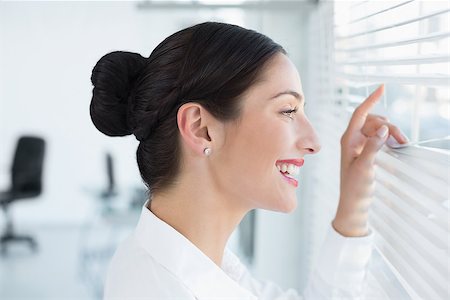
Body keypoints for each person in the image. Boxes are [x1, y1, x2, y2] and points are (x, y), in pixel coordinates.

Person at [90, 22, 408, 299]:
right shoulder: (165, 288)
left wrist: (353, 200)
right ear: (201, 129)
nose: (314, 142)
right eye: (287, 110)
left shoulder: (192, 263)